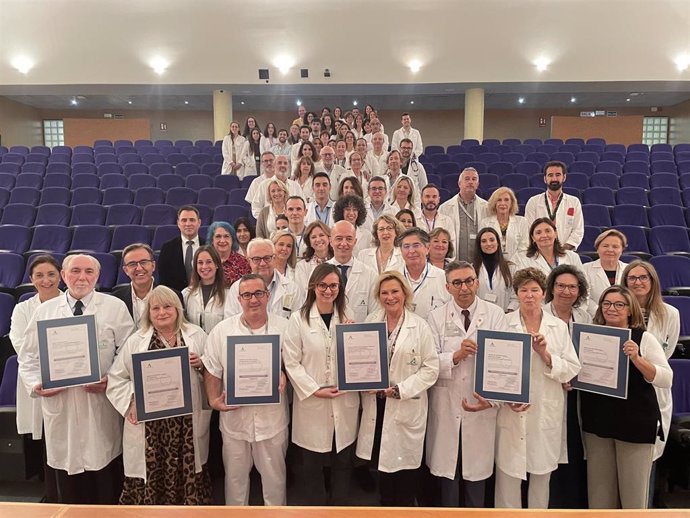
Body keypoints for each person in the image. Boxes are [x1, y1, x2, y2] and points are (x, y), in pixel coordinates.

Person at [18, 254, 135, 504]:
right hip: (61, 405)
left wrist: (110, 380)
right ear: (63, 275)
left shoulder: (114, 307)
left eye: (89, 272)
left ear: (98, 276)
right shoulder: (45, 311)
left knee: (104, 472)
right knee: (67, 477)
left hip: (99, 401)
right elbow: (27, 357)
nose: (82, 277)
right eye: (75, 271)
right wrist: (36, 384)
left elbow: (128, 351)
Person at [106, 286, 212, 505]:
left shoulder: (197, 335)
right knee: (149, 471)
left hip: (186, 422)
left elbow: (215, 371)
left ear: (177, 309)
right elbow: (117, 378)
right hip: (150, 425)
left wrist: (201, 364)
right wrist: (131, 402)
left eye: (167, 307)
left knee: (188, 467)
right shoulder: (136, 341)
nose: (162, 312)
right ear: (149, 312)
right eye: (156, 308)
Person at [494, 267, 581, 509]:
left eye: (534, 290)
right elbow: (495, 368)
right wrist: (505, 398)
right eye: (524, 290)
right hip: (512, 410)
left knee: (541, 476)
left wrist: (546, 354)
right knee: (508, 476)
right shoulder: (504, 323)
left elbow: (572, 368)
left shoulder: (557, 327)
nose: (529, 295)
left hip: (545, 409)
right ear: (517, 294)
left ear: (544, 293)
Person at [580, 285, 672, 509]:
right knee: (599, 498)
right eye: (607, 303)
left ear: (630, 309)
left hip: (635, 426)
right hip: (598, 424)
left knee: (633, 499)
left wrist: (637, 358)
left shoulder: (644, 338)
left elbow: (666, 378)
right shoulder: (590, 335)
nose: (612, 308)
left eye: (619, 304)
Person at [426, 261, 508, 507]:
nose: (464, 288)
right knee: (448, 476)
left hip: (480, 404)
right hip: (447, 404)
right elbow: (428, 362)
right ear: (447, 287)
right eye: (457, 283)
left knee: (476, 477)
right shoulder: (435, 317)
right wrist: (454, 356)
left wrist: (492, 399)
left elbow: (505, 362)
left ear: (477, 282)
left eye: (469, 281)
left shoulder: (494, 314)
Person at [203, 274, 290, 505]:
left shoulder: (285, 328)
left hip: (272, 421)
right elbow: (211, 369)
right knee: (235, 480)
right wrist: (213, 400)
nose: (253, 300)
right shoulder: (222, 331)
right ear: (239, 299)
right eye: (247, 295)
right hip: (235, 420)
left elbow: (296, 365)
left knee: (275, 480)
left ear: (268, 296)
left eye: (259, 293)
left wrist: (284, 375)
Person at [357, 270, 439, 506]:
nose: (390, 297)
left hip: (404, 403)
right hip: (377, 406)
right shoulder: (371, 322)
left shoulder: (419, 326)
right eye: (384, 293)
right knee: (383, 470)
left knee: (404, 476)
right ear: (378, 296)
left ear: (405, 293)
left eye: (395, 291)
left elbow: (431, 368)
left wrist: (399, 389)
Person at [283, 264, 359, 505]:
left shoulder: (349, 316)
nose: (328, 290)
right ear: (313, 286)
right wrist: (315, 389)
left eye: (333, 285)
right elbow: (291, 363)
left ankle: (340, 509)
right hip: (312, 403)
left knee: (343, 465)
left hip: (343, 400)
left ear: (340, 287)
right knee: (312, 468)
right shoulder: (298, 319)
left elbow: (359, 359)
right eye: (323, 285)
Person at [9, 254, 62, 502]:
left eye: (51, 274)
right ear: (31, 279)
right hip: (35, 378)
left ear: (60, 275)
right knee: (40, 435)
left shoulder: (70, 304)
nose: (46, 280)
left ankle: (62, 487)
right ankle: (47, 489)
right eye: (39, 275)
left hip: (65, 377)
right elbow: (20, 344)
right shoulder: (23, 308)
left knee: (62, 434)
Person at [622, 260, 680, 469]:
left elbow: (668, 349)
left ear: (652, 281)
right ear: (625, 282)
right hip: (626, 384)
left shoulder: (670, 313)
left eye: (643, 277)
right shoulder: (618, 309)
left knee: (649, 453)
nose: (638, 282)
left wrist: (646, 363)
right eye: (632, 278)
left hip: (653, 385)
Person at [543, 264, 591, 509]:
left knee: (573, 447)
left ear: (579, 291)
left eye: (572, 287)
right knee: (549, 451)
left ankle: (573, 508)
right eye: (561, 285)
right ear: (552, 288)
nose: (566, 291)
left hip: (578, 393)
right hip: (549, 391)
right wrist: (561, 375)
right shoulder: (540, 316)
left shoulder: (585, 317)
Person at [225, 238, 304, 319]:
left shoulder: (292, 289)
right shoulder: (236, 289)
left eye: (267, 258)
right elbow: (230, 323)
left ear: (274, 258)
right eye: (256, 259)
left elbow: (298, 323)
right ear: (249, 261)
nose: (262, 264)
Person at [112, 243, 183, 328]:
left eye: (143, 262)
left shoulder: (173, 295)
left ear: (153, 266)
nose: (139, 268)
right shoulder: (116, 299)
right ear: (126, 270)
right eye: (132, 264)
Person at [524, 161, 584, 250]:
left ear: (564, 177)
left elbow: (578, 230)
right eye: (550, 175)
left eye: (558, 175)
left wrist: (563, 250)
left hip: (566, 252)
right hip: (539, 252)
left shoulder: (574, 202)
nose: (554, 178)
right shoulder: (533, 202)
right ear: (545, 179)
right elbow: (529, 229)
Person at [327, 220, 379, 322]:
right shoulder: (319, 273)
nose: (344, 243)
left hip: (359, 334)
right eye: (339, 238)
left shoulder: (370, 275)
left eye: (349, 239)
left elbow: (375, 314)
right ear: (330, 241)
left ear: (355, 242)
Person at [398, 227, 450, 319]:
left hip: (433, 332)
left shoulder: (443, 277)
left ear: (427, 248)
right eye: (406, 246)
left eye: (416, 245)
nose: (411, 251)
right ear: (401, 251)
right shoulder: (393, 276)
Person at [439, 167, 488, 262]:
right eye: (467, 179)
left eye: (474, 179)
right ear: (459, 183)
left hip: (479, 261)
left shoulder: (486, 207)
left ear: (477, 184)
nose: (470, 182)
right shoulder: (445, 208)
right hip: (455, 260)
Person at [182, 246, 232, 333]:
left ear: (216, 264)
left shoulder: (229, 294)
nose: (204, 266)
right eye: (200, 263)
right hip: (195, 344)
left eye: (209, 262)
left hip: (219, 344)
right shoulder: (186, 294)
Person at [515, 218, 584, 277]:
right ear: (533, 238)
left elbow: (584, 285)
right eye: (538, 233)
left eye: (548, 231)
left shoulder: (573, 257)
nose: (544, 235)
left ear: (555, 233)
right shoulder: (523, 260)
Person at [159, 206, 205, 292]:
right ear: (178, 223)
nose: (188, 224)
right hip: (175, 299)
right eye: (184, 220)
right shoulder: (167, 248)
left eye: (192, 220)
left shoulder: (209, 246)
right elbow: (163, 281)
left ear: (199, 223)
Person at [472, 227, 518, 312]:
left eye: (492, 240)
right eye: (484, 241)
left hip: (505, 316)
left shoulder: (511, 268)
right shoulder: (472, 269)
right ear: (479, 245)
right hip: (480, 316)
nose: (488, 244)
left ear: (498, 243)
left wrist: (509, 312)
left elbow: (516, 294)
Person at [582, 229, 628, 312]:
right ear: (597, 248)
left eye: (615, 247)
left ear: (622, 250)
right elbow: (584, 297)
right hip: (594, 318)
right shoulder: (585, 269)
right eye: (605, 246)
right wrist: (602, 313)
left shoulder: (628, 269)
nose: (610, 250)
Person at [480, 187, 529, 261]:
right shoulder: (485, 223)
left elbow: (524, 247)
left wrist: (511, 263)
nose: (503, 203)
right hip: (493, 263)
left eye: (506, 200)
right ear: (494, 203)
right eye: (499, 200)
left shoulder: (522, 221)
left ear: (512, 203)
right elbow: (483, 247)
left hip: (518, 264)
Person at [207, 221, 251, 287]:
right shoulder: (205, 261)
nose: (222, 240)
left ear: (232, 240)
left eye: (226, 236)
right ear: (212, 241)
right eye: (218, 236)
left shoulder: (243, 263)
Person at [294, 221, 333, 288]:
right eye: (313, 237)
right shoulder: (302, 266)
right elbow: (302, 292)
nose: (318, 239)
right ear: (309, 242)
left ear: (329, 238)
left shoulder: (338, 261)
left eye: (321, 235)